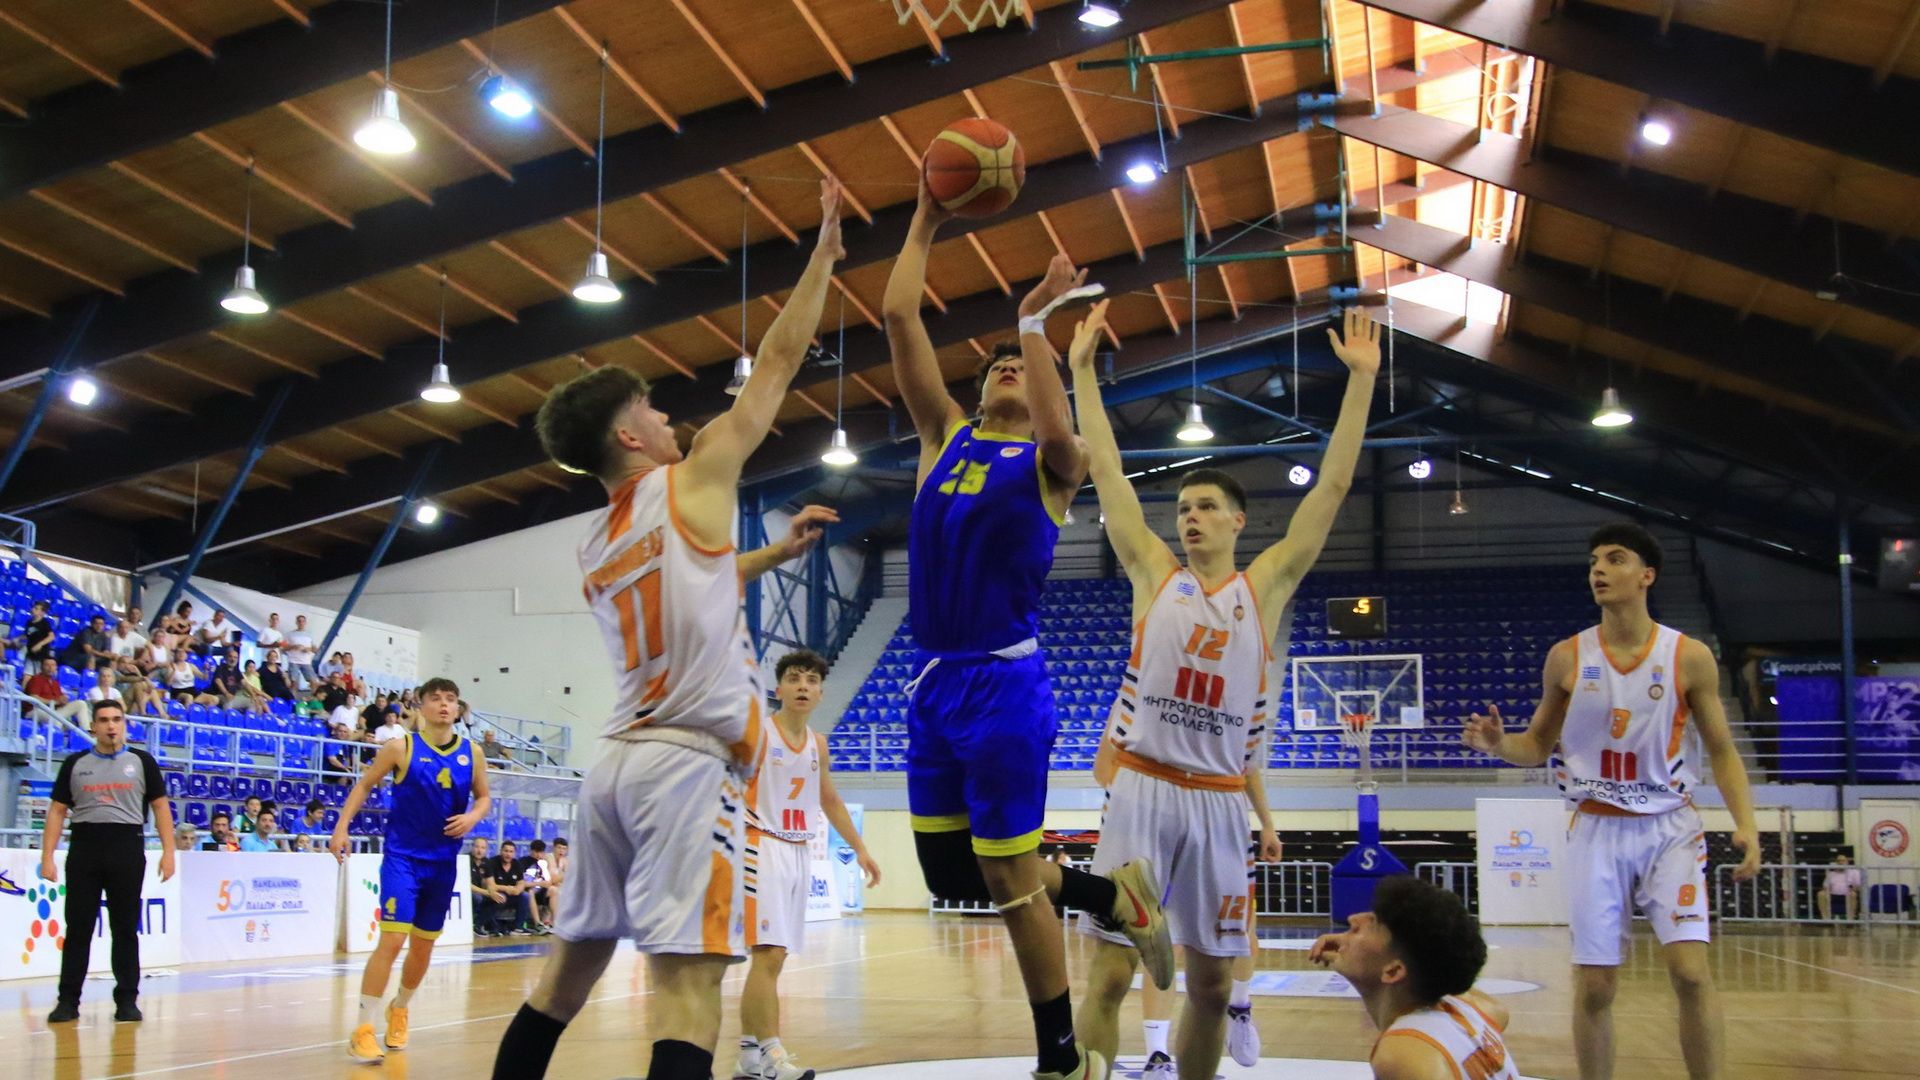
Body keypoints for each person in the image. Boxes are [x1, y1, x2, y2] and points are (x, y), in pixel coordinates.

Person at [489, 181, 846, 1080]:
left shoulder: (597, 543)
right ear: (629, 437)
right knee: (688, 988)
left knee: (563, 981)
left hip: (613, 765)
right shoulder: (693, 478)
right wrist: (823, 258)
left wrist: (773, 553)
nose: (666, 417)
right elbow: (777, 363)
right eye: (651, 409)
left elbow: (694, 581)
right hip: (686, 768)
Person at [883, 178, 1171, 1080]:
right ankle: (1106, 896)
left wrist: (1034, 324)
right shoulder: (943, 439)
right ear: (974, 392)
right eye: (997, 363)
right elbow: (898, 316)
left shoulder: (1053, 464)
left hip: (1004, 684)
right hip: (933, 681)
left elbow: (1060, 426)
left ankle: (1062, 1059)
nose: (1007, 366)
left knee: (1009, 881)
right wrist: (926, 216)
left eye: (1019, 362)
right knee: (952, 878)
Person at [1069, 305, 1377, 1080]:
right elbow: (1107, 473)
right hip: (1143, 790)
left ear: (1239, 521)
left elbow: (1334, 485)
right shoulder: (1154, 573)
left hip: (1217, 802)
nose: (1191, 517)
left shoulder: (1263, 586)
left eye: (1206, 506)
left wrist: (1361, 384)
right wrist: (1080, 373)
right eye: (1183, 508)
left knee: (1209, 988)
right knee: (1109, 974)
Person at [1462, 523, 1761, 1080]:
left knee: (1690, 973)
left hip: (1670, 826)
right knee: (1597, 986)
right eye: (1594, 561)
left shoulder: (1689, 656)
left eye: (1615, 559)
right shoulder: (1567, 657)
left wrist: (1746, 823)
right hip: (1596, 827)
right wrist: (1499, 744)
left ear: (1647, 575)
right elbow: (1536, 746)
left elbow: (1722, 749)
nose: (1598, 569)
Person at [734, 649, 883, 1080]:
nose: (803, 686)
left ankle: (748, 1057)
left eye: (812, 681)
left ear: (820, 693)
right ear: (778, 689)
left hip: (798, 849)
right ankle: (773, 1055)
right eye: (795, 679)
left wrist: (860, 848)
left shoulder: (818, 744)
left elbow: (829, 799)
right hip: (760, 845)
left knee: (774, 958)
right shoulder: (758, 734)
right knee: (768, 954)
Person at [330, 676, 491, 1063]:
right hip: (403, 858)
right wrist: (341, 828)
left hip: (443, 863)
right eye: (436, 698)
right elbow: (364, 785)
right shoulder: (400, 746)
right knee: (391, 940)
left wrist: (473, 817)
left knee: (423, 946)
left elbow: (484, 797)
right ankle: (363, 1029)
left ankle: (399, 1008)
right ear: (421, 706)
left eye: (450, 699)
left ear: (457, 708)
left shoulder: (472, 752)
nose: (444, 704)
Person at [40, 700, 177, 1024]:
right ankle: (68, 1001)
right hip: (84, 848)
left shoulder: (142, 762)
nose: (111, 726)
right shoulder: (75, 763)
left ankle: (127, 1001)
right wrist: (47, 857)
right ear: (94, 726)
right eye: (103, 720)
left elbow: (160, 807)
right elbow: (57, 811)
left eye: (116, 719)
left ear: (125, 724)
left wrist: (169, 852)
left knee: (125, 929)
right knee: (78, 929)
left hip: (126, 847)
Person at [1309, 876, 1519, 1079]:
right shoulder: (1468, 1007)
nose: (1353, 919)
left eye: (1373, 923)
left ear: (1393, 971)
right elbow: (1442, 963)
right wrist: (1356, 949)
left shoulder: (1401, 1056)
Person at [471, 837, 509, 937]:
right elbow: (466, 885)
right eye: (477, 847)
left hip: (483, 892)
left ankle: (478, 925)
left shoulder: (486, 862)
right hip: (469, 893)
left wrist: (492, 893)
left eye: (483, 848)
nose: (479, 850)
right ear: (472, 847)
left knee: (501, 898)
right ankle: (488, 925)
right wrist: (487, 893)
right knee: (477, 898)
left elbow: (490, 883)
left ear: (486, 850)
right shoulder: (466, 860)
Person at [1819, 852, 1862, 921]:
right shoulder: (1831, 874)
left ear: (1847, 862)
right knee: (1821, 894)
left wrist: (1854, 889)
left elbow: (1858, 886)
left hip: (1848, 895)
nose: (1840, 862)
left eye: (1843, 860)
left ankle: (1850, 919)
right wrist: (1826, 889)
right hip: (1833, 895)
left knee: (1853, 894)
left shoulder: (1854, 872)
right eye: (1838, 861)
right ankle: (1826, 919)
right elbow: (1825, 887)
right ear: (1836, 863)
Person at [285, 614, 317, 688]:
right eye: (299, 621)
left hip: (306, 661)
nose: (301, 623)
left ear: (305, 623)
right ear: (296, 622)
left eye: (303, 621)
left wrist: (309, 649)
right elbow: (284, 648)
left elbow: (315, 649)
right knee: (294, 682)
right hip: (293, 661)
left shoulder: (310, 634)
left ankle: (314, 695)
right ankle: (293, 696)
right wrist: (293, 646)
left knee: (313, 681)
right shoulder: (290, 634)